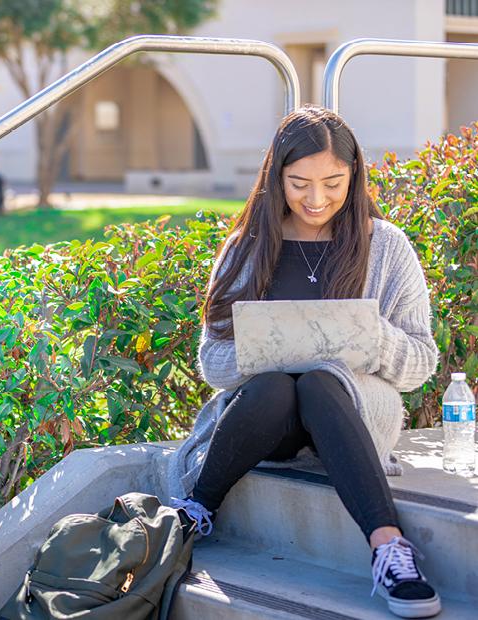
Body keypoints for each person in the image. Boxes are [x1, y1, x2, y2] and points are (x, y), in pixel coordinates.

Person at [166, 105, 441, 618]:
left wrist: (368, 336)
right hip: (268, 420)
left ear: (354, 174)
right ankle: (195, 511)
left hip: (352, 412)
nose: (317, 199)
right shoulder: (245, 248)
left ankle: (389, 548)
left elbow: (422, 361)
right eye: (299, 184)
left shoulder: (388, 247)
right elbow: (214, 361)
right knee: (275, 386)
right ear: (276, 178)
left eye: (333, 183)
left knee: (318, 382)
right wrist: (265, 346)